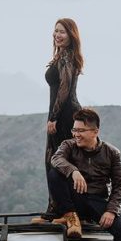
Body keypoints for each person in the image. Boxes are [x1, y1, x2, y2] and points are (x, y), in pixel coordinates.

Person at [47, 107, 121, 241]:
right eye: (74, 130)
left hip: (97, 202)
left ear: (95, 131)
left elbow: (120, 185)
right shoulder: (68, 145)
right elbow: (56, 159)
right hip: (73, 199)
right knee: (55, 173)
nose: (76, 135)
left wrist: (111, 210)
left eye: (81, 131)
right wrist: (73, 171)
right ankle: (71, 218)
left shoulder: (112, 153)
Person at [45, 18, 83, 176]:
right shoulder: (65, 56)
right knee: (60, 158)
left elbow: (64, 88)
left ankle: (62, 200)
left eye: (62, 31)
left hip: (64, 114)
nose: (57, 35)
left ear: (71, 35)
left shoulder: (66, 57)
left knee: (59, 160)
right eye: (56, 30)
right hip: (65, 112)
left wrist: (54, 117)